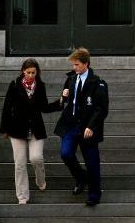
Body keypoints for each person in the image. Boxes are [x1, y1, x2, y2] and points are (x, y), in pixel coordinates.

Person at [0, 58, 59, 204]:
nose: (31, 75)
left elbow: (44, 107)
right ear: (23, 72)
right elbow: (7, 107)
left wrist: (61, 102)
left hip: (36, 128)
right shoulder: (14, 85)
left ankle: (40, 180)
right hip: (16, 129)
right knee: (20, 163)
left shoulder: (40, 86)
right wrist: (5, 129)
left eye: (33, 72)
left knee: (36, 158)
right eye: (28, 72)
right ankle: (22, 196)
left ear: (37, 72)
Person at [54, 48, 108, 206]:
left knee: (92, 162)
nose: (74, 68)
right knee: (66, 154)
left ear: (86, 64)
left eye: (77, 64)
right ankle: (81, 178)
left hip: (87, 128)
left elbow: (102, 109)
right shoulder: (71, 79)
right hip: (71, 125)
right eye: (73, 64)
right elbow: (65, 102)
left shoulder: (98, 83)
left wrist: (91, 126)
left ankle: (94, 194)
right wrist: (63, 97)